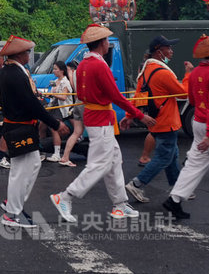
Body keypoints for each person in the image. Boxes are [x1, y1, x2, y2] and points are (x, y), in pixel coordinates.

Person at [50, 24, 156, 224]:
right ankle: (65, 196)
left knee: (114, 160)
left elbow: (80, 95)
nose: (108, 43)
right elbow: (115, 95)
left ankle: (119, 204)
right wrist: (138, 115)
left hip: (94, 117)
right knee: (100, 164)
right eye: (106, 40)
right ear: (101, 44)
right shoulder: (99, 65)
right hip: (101, 120)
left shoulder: (82, 65)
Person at [0, 36, 69, 228]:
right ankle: (12, 212)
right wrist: (54, 123)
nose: (29, 55)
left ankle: (14, 203)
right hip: (19, 126)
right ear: (20, 54)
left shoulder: (9, 71)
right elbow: (31, 104)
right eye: (27, 52)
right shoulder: (16, 74)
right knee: (21, 170)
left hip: (18, 125)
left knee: (32, 164)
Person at [163, 35, 209, 219]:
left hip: (198, 121)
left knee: (194, 164)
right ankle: (174, 200)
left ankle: (174, 200)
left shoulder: (196, 71)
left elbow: (193, 98)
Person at [125, 36, 191, 203]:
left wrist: (129, 116)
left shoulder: (145, 71)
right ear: (159, 51)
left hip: (156, 120)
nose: (171, 51)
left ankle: (178, 188)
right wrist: (189, 74)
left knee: (172, 155)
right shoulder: (163, 73)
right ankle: (137, 184)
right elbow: (183, 92)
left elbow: (137, 97)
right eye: (168, 48)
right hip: (167, 121)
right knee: (164, 157)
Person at [44, 61, 72, 162]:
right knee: (41, 125)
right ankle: (41, 149)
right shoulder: (55, 81)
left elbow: (64, 97)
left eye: (56, 69)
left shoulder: (65, 82)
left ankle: (57, 153)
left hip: (61, 108)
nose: (54, 71)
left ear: (62, 70)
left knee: (54, 128)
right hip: (53, 106)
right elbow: (50, 94)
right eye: (54, 69)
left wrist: (53, 94)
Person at [59, 60, 83, 167]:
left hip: (77, 102)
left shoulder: (73, 75)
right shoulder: (79, 73)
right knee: (96, 131)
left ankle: (65, 157)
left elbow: (74, 88)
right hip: (85, 103)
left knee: (76, 132)